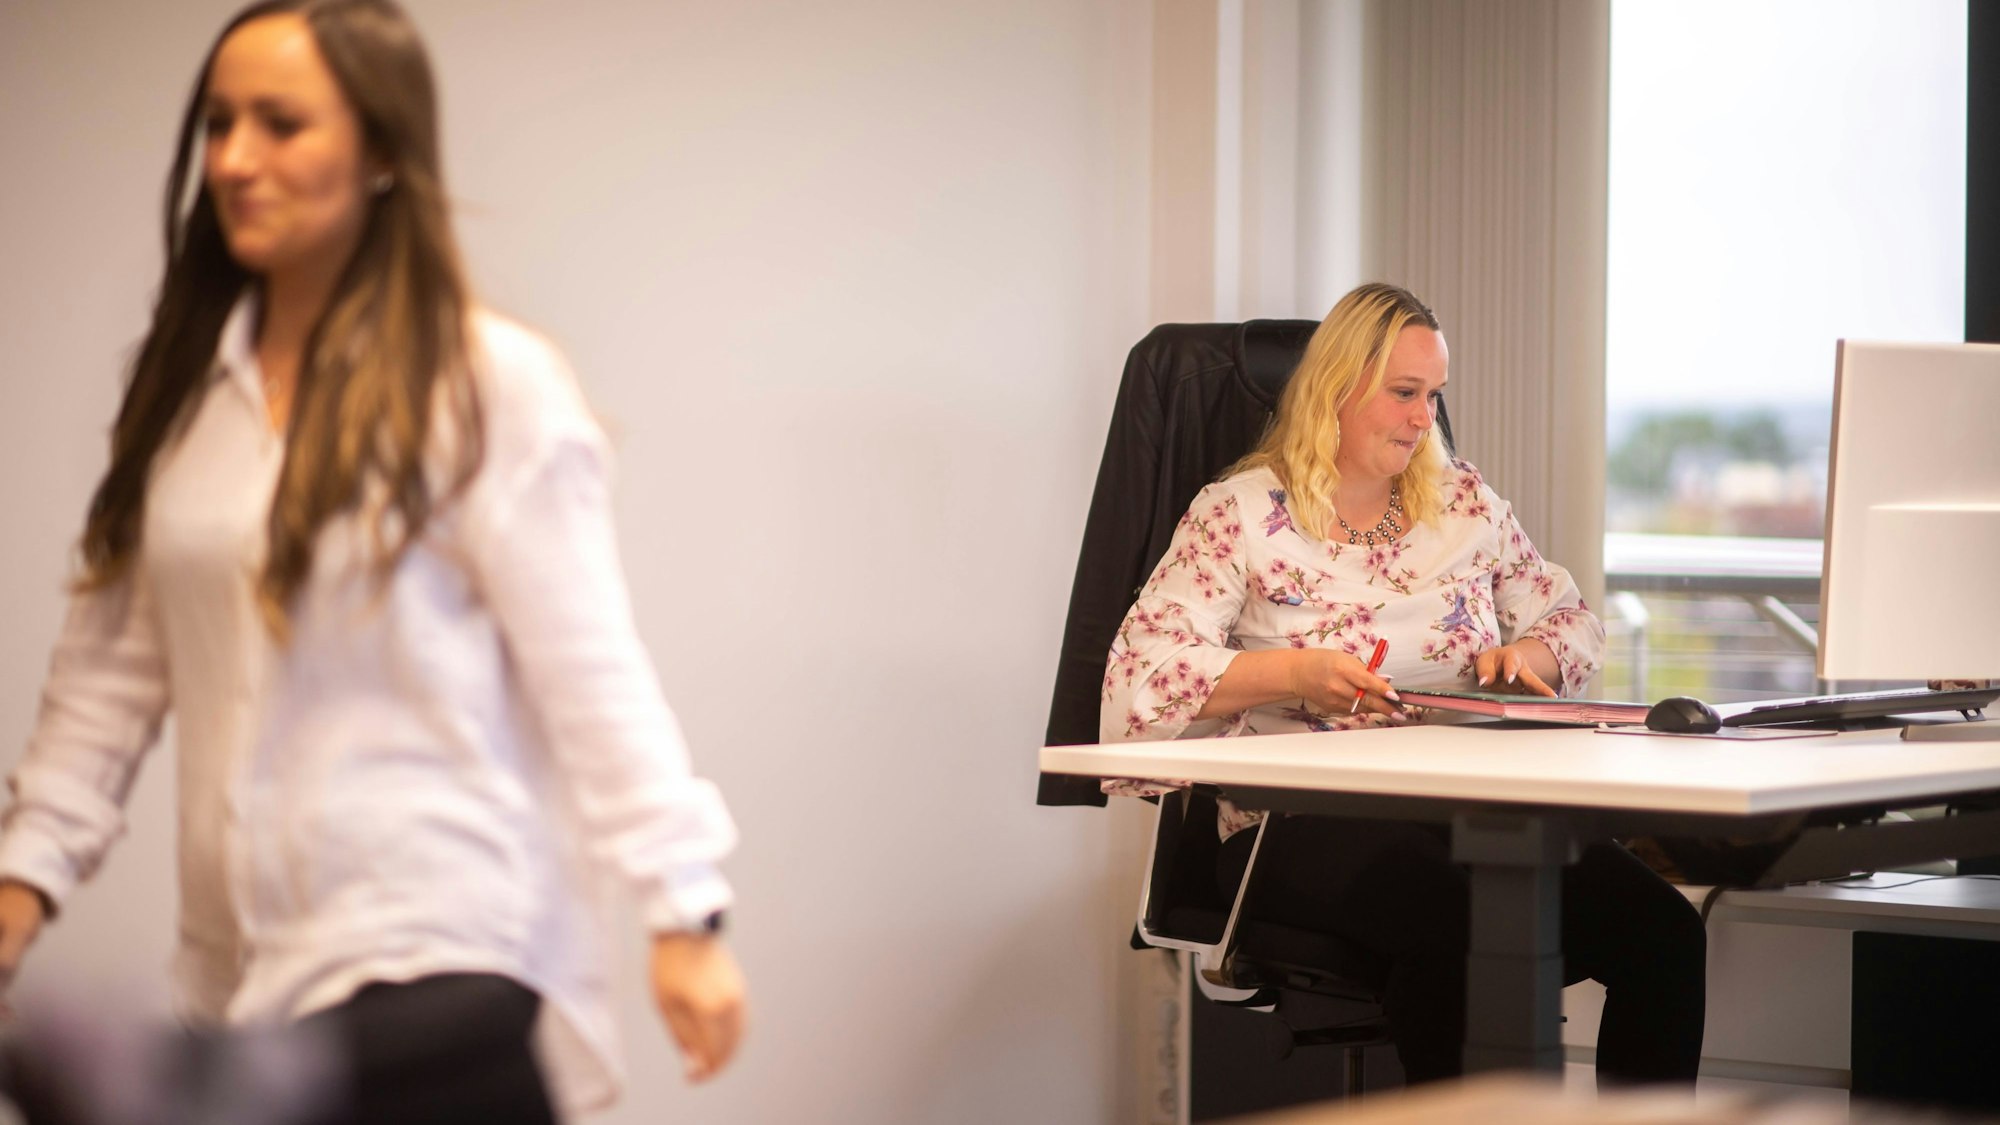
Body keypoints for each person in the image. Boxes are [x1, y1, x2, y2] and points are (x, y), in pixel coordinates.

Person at [0, 1, 745, 1119]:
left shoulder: (485, 383)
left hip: (443, 936)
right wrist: (17, 896)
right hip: (243, 980)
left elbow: (591, 672)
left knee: (388, 1063)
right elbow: (101, 693)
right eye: (218, 125)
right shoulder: (185, 409)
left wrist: (685, 911)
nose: (233, 160)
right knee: (256, 1084)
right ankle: (210, 1076)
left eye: (280, 124)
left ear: (382, 151)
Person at [1100, 283, 1704, 1086]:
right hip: (1295, 823)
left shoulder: (1461, 500)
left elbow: (1573, 624)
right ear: (1337, 388)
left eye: (1435, 395)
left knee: (1663, 929)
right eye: (1405, 393)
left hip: (1462, 806)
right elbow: (1140, 675)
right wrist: (1295, 673)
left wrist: (1524, 657)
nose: (1427, 419)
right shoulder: (1239, 514)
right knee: (1460, 925)